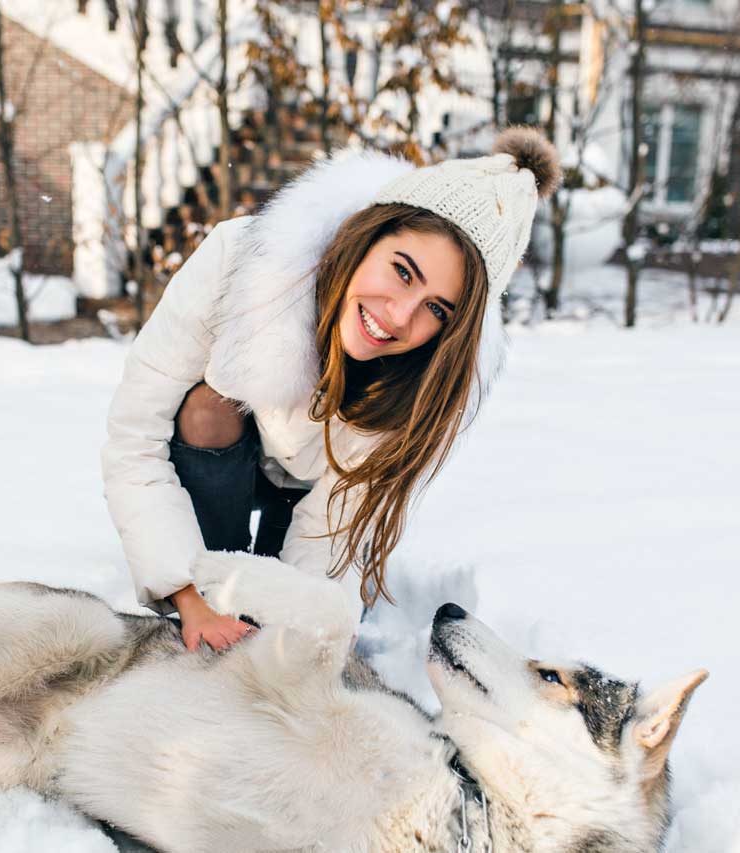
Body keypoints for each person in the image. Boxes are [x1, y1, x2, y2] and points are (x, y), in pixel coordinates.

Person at [102, 127, 560, 652]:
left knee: (296, 633)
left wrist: (292, 628)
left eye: (437, 309)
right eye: (403, 272)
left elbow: (337, 527)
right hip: (229, 457)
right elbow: (134, 440)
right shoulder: (242, 261)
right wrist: (191, 598)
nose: (399, 316)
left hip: (318, 486)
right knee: (206, 407)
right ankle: (216, 573)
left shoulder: (433, 380)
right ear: (366, 235)